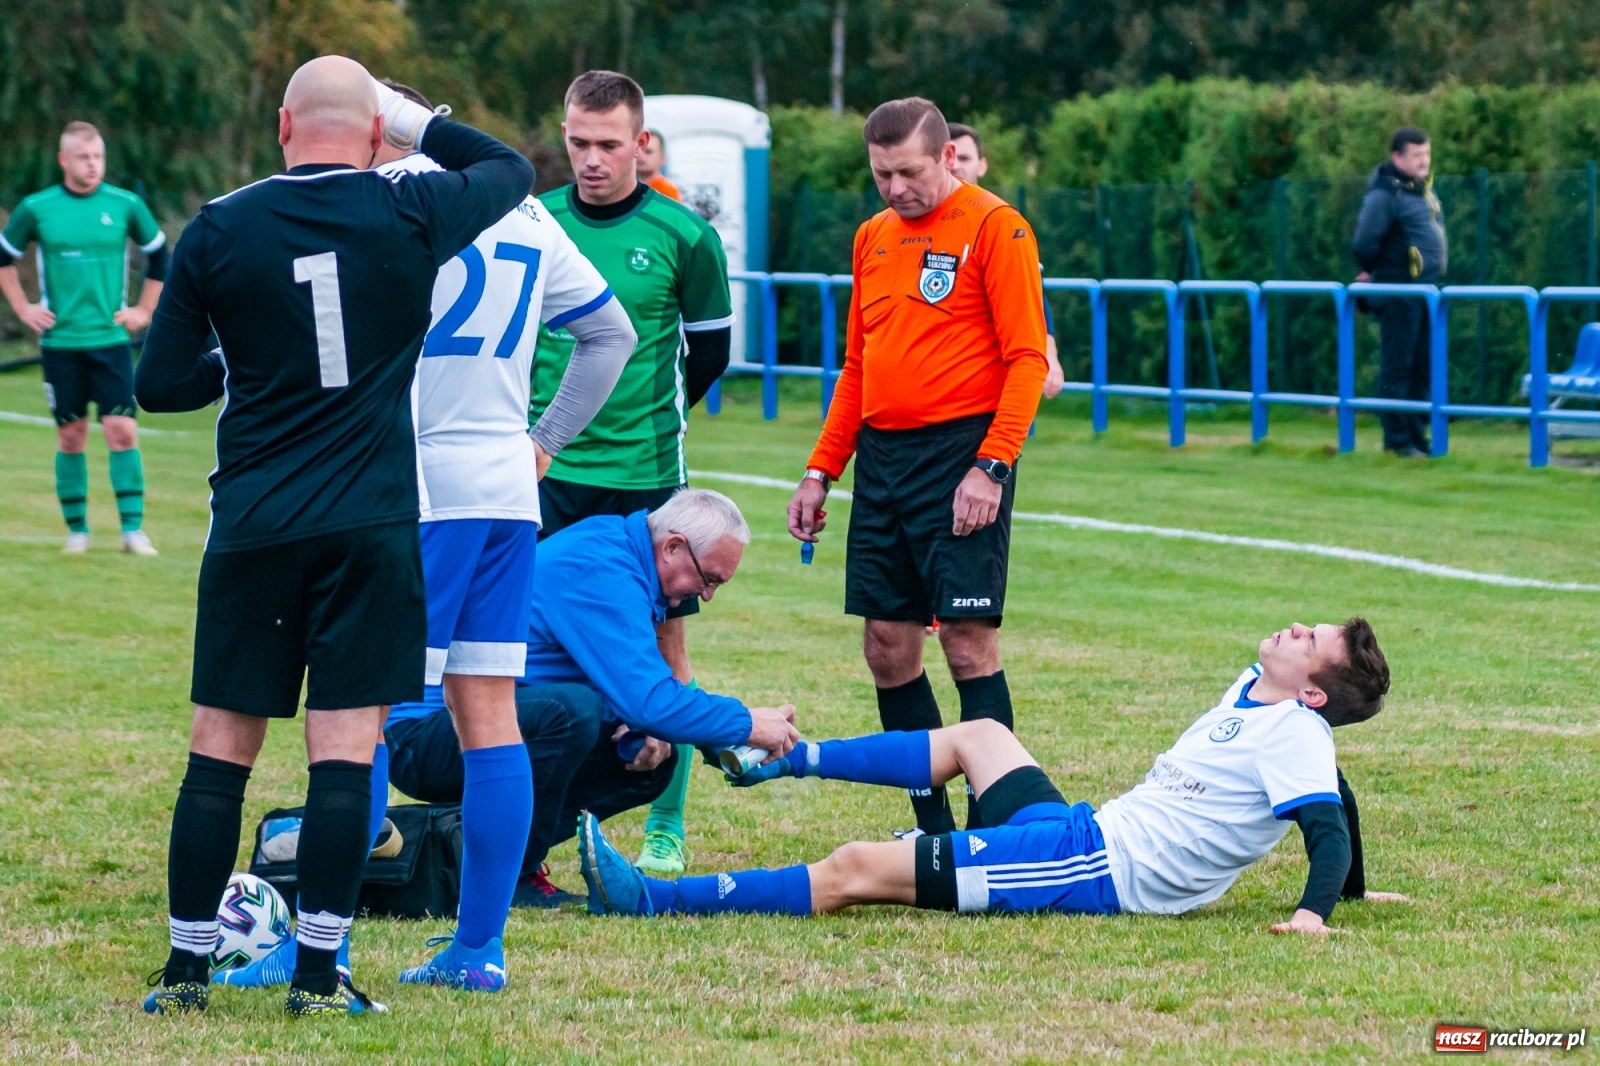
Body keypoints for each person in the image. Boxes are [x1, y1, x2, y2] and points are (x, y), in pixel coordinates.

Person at [133, 57, 534, 1017]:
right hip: (372, 525)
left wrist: (239, 360)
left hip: (257, 524)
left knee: (218, 752)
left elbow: (159, 386)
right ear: (370, 137)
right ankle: (318, 977)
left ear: (280, 127)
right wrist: (413, 118)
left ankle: (188, 971)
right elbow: (512, 168)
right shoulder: (408, 211)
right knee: (343, 756)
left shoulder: (220, 227)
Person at [580, 619, 1409, 936]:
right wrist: (1362, 892)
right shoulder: (1256, 694)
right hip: (1081, 829)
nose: (1299, 627)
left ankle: (651, 899)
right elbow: (1342, 795)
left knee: (855, 868)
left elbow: (1327, 818)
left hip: (1093, 869)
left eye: (1314, 640)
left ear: (1311, 690)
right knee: (979, 734)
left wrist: (1315, 913)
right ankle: (788, 759)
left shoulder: (1298, 729)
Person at [787, 97, 1048, 838]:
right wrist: (820, 471)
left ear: (948, 159)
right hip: (884, 459)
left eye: (907, 172)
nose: (894, 188)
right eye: (880, 174)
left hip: (962, 455)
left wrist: (991, 466)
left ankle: (997, 829)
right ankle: (932, 831)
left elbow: (1029, 359)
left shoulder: (997, 228)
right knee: (887, 647)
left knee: (968, 644)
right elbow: (858, 366)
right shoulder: (872, 236)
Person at [386, 489, 801, 886]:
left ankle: (470, 843)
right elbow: (649, 703)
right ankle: (514, 872)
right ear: (672, 547)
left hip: (481, 718)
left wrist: (720, 743)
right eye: (709, 578)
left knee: (652, 760)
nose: (707, 596)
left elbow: (636, 694)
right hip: (423, 734)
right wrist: (747, 723)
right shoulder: (603, 569)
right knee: (571, 711)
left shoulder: (622, 556)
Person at [534, 70, 734, 877]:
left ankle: (666, 825)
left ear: (640, 145)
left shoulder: (686, 236)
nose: (590, 159)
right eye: (577, 143)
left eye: (608, 145)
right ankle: (531, 841)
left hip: (646, 476)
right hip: (546, 471)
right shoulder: (533, 222)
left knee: (660, 660)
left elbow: (709, 353)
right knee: (531, 658)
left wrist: (639, 419)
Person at [0, 121, 167, 555]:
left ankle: (133, 530)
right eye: (83, 157)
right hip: (60, 344)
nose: (92, 165)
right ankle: (78, 531)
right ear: (64, 160)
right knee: (71, 435)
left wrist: (144, 310)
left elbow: (160, 256)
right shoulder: (37, 209)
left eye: (98, 157)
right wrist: (23, 308)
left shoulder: (126, 205)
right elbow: (4, 259)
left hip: (110, 342)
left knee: (121, 431)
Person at [946, 122, 1063, 400]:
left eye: (966, 158)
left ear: (982, 165)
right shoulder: (910, 221)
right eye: (950, 157)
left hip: (981, 388)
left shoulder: (1001, 222)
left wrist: (1050, 355)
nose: (956, 166)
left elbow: (1033, 297)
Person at [1352, 126, 1448, 458]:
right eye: (1417, 156)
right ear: (1398, 157)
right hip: (1399, 291)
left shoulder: (1420, 191)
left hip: (1425, 293)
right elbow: (1364, 243)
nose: (1424, 162)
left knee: (1421, 368)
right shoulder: (1386, 194)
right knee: (1398, 368)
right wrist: (1380, 271)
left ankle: (1417, 437)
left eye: (1427, 154)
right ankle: (1397, 441)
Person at [638, 129, 681, 201]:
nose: (641, 156)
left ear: (662, 158)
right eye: (638, 150)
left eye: (648, 152)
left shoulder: (667, 190)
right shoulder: (628, 188)